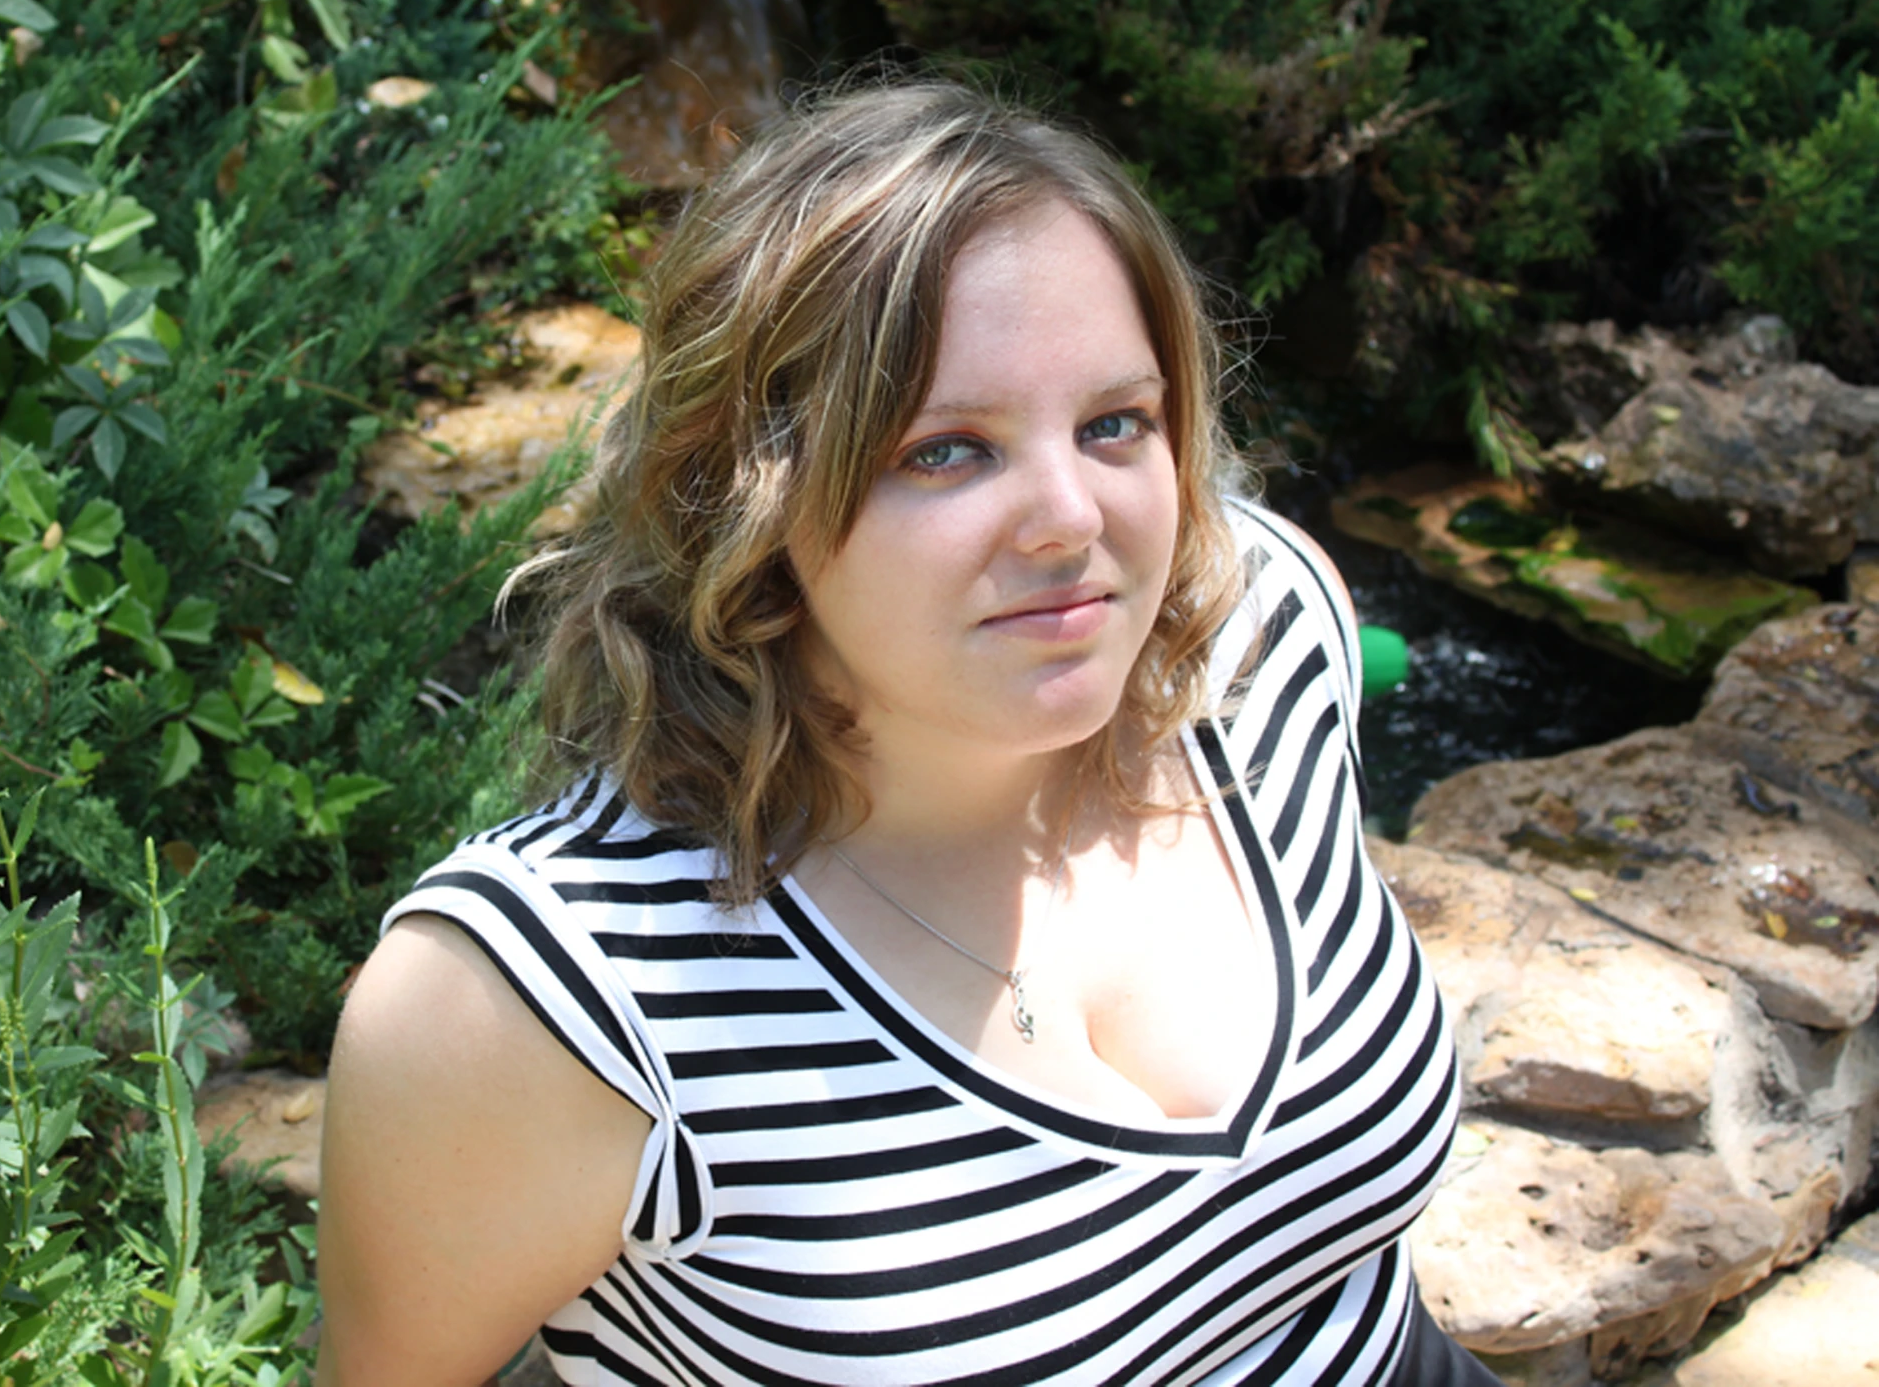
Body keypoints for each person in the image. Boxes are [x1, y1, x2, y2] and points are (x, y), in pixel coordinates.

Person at [313, 79, 1486, 1386]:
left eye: (1114, 424)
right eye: (945, 450)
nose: (1068, 518)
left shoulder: (1256, 636)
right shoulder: (543, 999)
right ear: (742, 495)